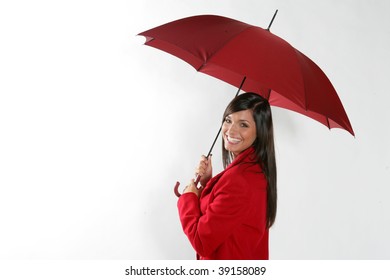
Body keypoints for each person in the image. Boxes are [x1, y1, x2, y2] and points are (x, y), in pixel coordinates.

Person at [177, 92, 277, 260]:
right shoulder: (254, 170)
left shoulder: (239, 180)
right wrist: (209, 183)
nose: (231, 130)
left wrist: (188, 197)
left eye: (243, 125)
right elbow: (227, 218)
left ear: (259, 132)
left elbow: (201, 241)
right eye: (228, 120)